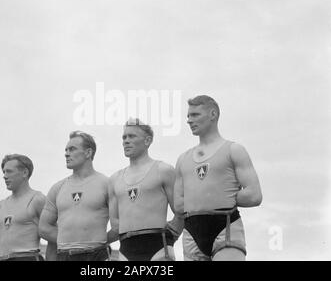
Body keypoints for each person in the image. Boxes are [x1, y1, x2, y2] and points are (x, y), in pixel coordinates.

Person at [174, 95, 263, 261]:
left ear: (213, 115)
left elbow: (254, 195)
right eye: (188, 116)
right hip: (192, 232)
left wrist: (221, 196)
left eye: (195, 115)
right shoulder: (183, 159)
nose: (189, 120)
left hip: (226, 226)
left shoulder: (234, 150)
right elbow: (179, 206)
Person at [108, 118, 183, 261]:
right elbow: (116, 224)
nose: (126, 141)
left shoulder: (164, 170)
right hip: (126, 250)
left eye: (132, 136)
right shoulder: (114, 180)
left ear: (147, 141)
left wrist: (171, 238)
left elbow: (181, 212)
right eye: (124, 137)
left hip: (158, 248)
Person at [39, 131, 113, 261]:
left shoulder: (107, 184)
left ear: (88, 153)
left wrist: (98, 241)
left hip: (96, 255)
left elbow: (121, 224)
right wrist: (71, 241)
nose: (66, 153)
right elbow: (43, 227)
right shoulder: (57, 188)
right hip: (64, 255)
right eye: (66, 150)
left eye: (72, 149)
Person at [0, 154, 47, 261]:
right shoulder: (1, 205)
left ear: (24, 173)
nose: (4, 176)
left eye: (9, 171)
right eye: (4, 172)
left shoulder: (38, 199)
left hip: (27, 257)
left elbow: (53, 232)